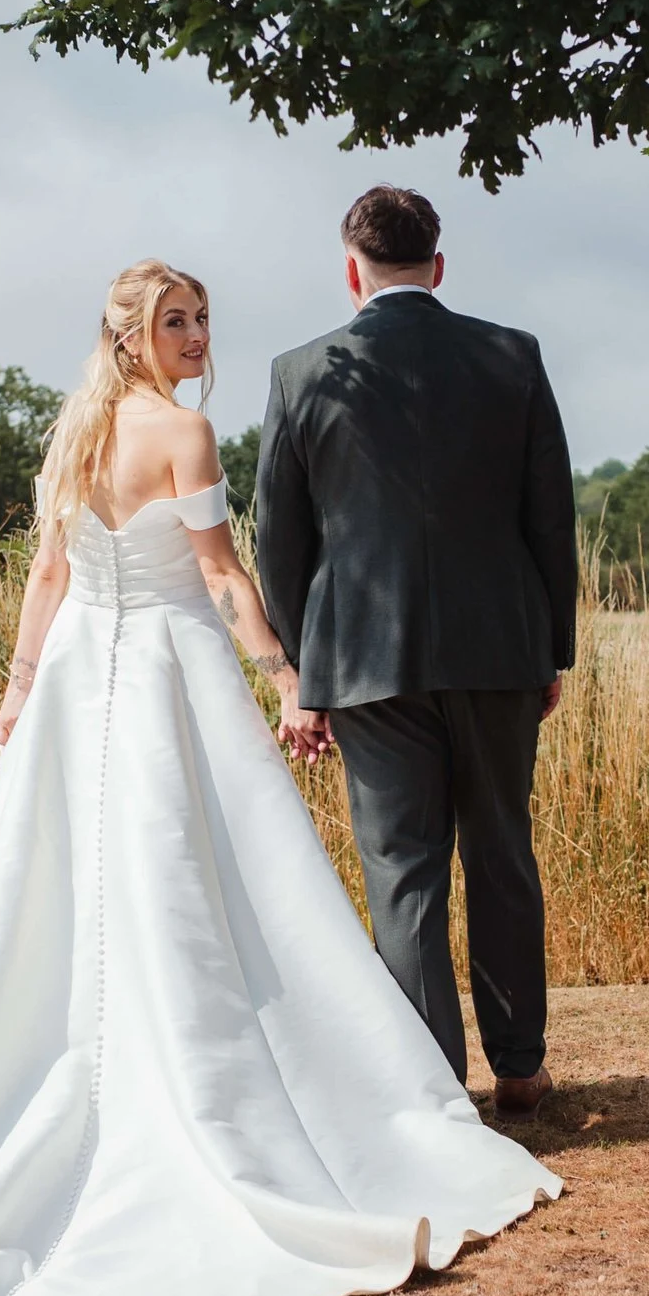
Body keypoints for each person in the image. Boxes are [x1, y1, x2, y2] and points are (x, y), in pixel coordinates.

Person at [0, 260, 558, 1296]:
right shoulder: (183, 436)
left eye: (201, 318)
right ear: (133, 335)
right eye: (176, 322)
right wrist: (283, 676)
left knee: (69, 888)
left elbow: (48, 580)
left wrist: (11, 711)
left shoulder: (75, 434)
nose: (198, 336)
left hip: (73, 681)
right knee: (196, 881)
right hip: (161, 675)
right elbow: (219, 575)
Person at [254, 187, 578, 1118]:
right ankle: (521, 1065)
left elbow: (284, 537)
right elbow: (548, 516)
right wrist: (550, 647)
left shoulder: (300, 372)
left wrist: (301, 670)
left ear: (352, 271)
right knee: (503, 853)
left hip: (361, 660)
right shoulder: (511, 357)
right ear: (438, 265)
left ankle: (436, 1087)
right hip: (498, 648)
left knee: (403, 872)